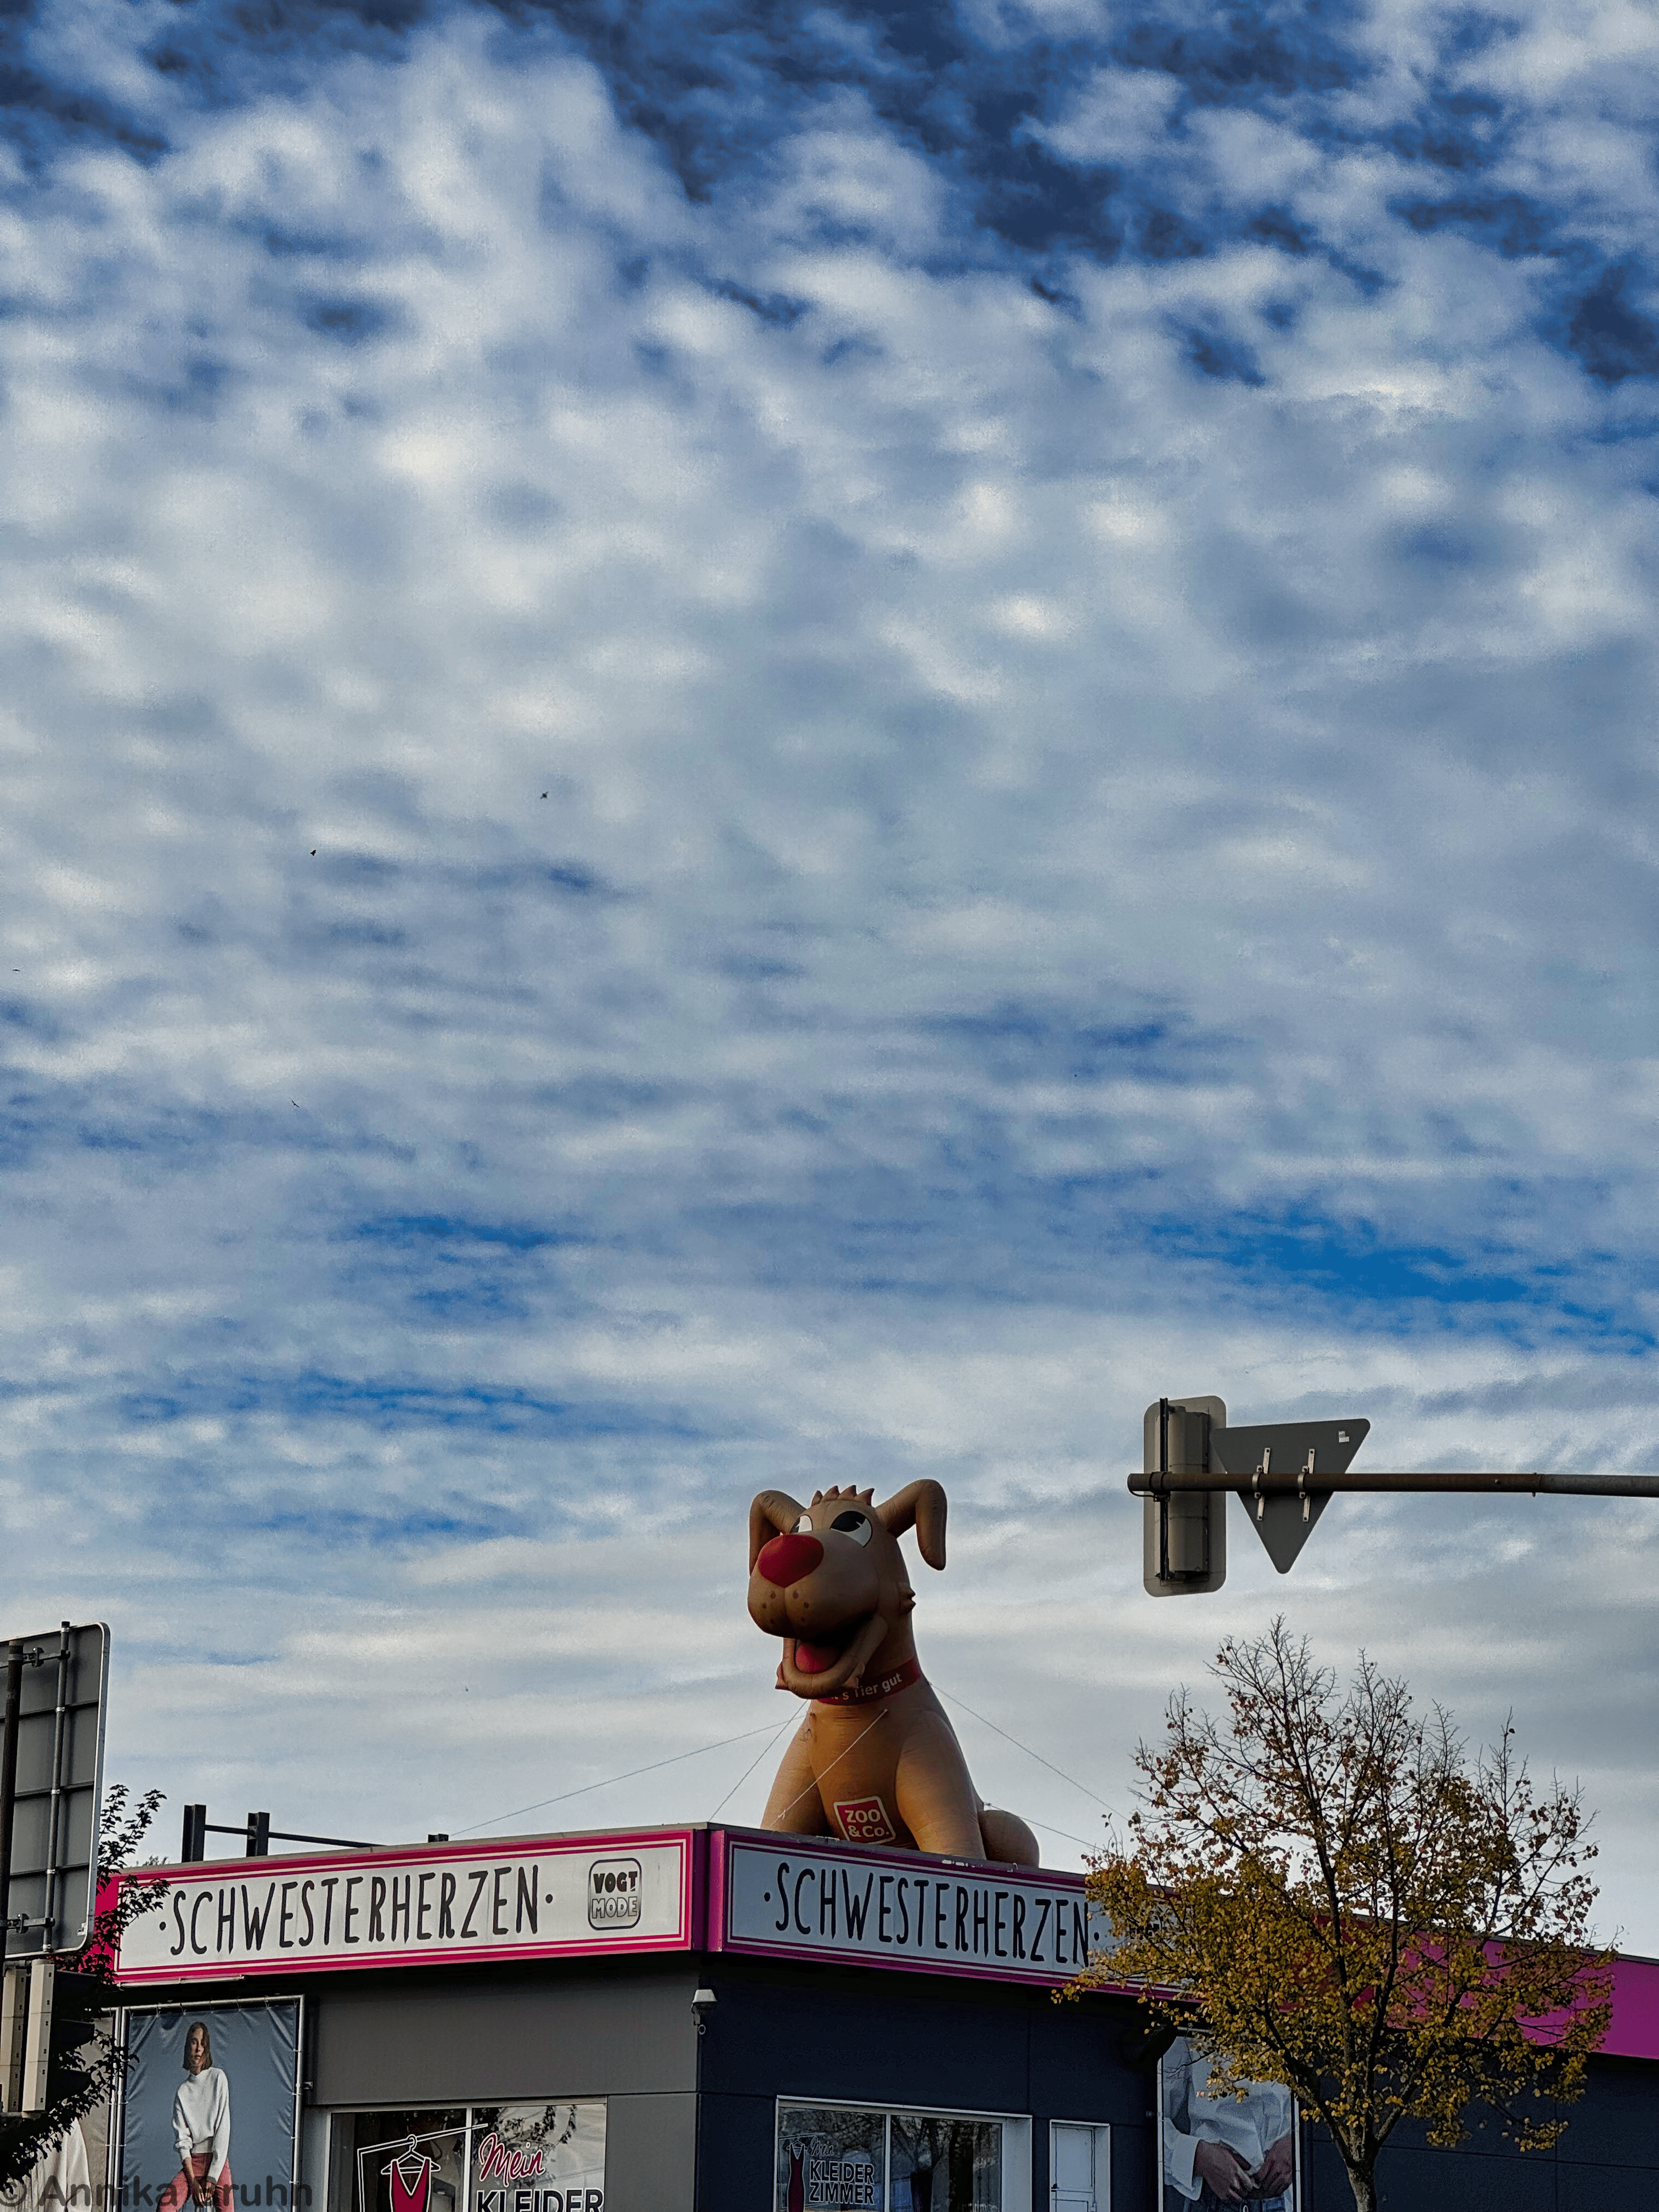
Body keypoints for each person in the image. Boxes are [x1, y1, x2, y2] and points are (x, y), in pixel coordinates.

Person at [1161, 2038, 1294, 2210]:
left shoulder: (1300, 2019)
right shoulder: (1190, 2023)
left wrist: (1297, 2146)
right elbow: (1147, 2120)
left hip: (1285, 2199)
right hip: (1212, 2201)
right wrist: (1198, 2157)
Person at [159, 2022, 232, 2212]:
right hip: (193, 2163)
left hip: (218, 2161)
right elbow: (183, 2141)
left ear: (206, 2048)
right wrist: (193, 2182)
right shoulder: (183, 2092)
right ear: (187, 2047)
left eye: (203, 2043)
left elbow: (223, 2130)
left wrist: (213, 2177)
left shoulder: (218, 2078)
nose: (198, 2048)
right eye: (194, 2042)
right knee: (165, 2207)